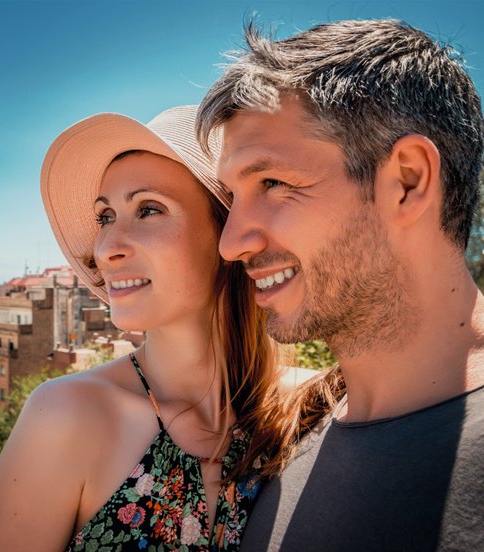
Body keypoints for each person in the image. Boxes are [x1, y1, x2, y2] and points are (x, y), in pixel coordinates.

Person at [196, 19, 484, 551]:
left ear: (407, 181)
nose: (231, 242)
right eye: (233, 199)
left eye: (273, 183)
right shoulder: (279, 441)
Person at [0, 105, 313, 551]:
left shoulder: (312, 411)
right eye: (105, 217)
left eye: (149, 210)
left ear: (228, 231)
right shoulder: (68, 416)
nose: (106, 248)